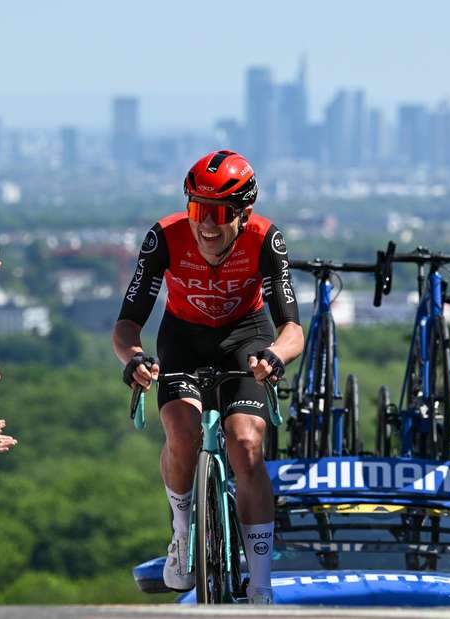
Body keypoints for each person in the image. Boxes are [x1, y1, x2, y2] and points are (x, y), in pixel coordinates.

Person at [112, 150, 303, 604]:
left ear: (245, 213)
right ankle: (181, 533)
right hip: (183, 338)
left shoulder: (265, 240)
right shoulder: (165, 238)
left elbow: (292, 328)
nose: (208, 225)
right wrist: (134, 357)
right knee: (182, 431)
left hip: (246, 337)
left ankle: (260, 582)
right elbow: (126, 324)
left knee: (246, 444)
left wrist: (275, 356)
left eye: (220, 213)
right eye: (198, 210)